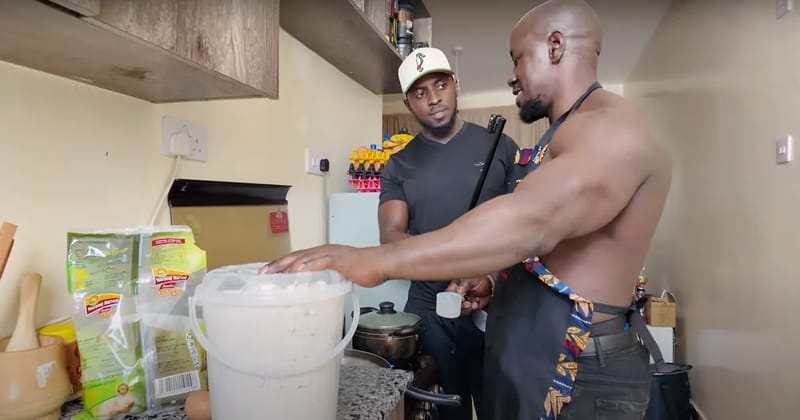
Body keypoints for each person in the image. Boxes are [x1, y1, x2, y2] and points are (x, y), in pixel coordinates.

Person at [263, 1, 671, 419]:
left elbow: (530, 222)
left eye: (517, 59)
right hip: (522, 346)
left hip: (577, 369)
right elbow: (551, 250)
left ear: (555, 46)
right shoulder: (562, 133)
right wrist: (493, 281)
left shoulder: (611, 128)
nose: (511, 76)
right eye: (419, 93)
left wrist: (375, 260)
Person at [380, 47, 520, 420]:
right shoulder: (398, 164)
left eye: (440, 85)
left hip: (497, 304)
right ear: (409, 103)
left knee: (500, 409)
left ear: (456, 85)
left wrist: (487, 276)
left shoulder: (500, 146)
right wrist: (449, 264)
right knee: (444, 410)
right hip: (431, 309)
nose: (434, 99)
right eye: (420, 93)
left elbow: (527, 224)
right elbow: (391, 237)